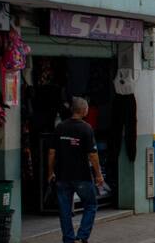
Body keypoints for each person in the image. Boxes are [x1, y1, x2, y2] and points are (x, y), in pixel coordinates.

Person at [48, 97, 103, 243]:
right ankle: (82, 237)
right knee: (91, 205)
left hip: (62, 175)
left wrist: (50, 172)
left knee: (64, 210)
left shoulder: (60, 127)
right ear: (84, 110)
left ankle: (68, 239)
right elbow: (92, 155)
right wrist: (98, 175)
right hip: (82, 175)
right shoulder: (86, 128)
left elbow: (52, 152)